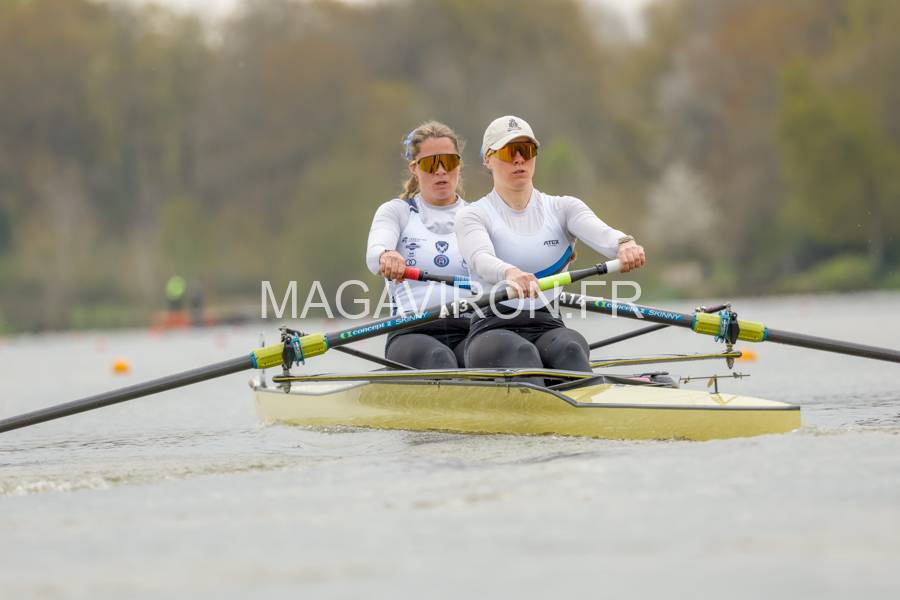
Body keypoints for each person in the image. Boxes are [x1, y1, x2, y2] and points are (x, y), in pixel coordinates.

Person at [455, 115, 646, 372]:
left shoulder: (564, 208)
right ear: (488, 160)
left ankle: (585, 397)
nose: (519, 159)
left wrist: (624, 244)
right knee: (522, 353)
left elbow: (604, 234)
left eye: (526, 150)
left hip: (548, 323)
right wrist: (509, 273)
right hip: (491, 328)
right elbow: (480, 258)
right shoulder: (472, 215)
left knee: (571, 347)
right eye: (509, 151)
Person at [365, 121, 471, 369]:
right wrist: (387, 255)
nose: (441, 171)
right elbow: (374, 253)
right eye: (431, 163)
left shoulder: (478, 216)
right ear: (414, 168)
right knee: (439, 358)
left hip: (469, 329)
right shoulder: (397, 212)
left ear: (458, 165)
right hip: (411, 331)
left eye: (449, 161)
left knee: (487, 357)